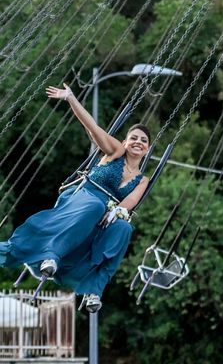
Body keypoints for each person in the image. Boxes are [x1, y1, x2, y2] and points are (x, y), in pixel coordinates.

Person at [0, 84, 150, 312]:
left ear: (147, 149)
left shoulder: (142, 179)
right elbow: (94, 129)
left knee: (124, 229)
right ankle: (51, 254)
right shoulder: (116, 152)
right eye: (134, 138)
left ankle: (94, 290)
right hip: (85, 197)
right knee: (93, 206)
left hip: (107, 213)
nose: (138, 142)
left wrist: (117, 212)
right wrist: (71, 99)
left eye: (143, 141)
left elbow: (129, 203)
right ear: (126, 142)